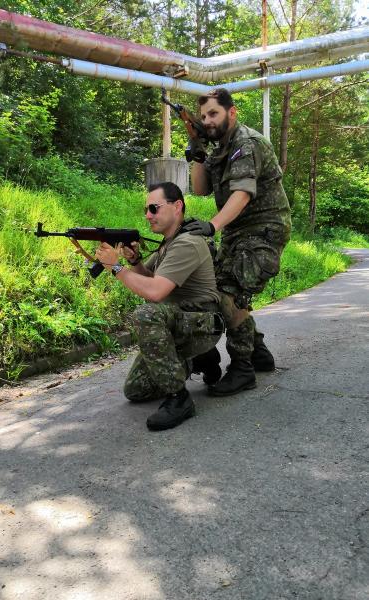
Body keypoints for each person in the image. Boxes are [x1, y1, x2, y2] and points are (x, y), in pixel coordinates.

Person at [183, 88, 291, 396]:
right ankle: (259, 352)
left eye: (213, 113)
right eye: (203, 116)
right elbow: (200, 189)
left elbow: (242, 194)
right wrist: (197, 148)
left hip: (263, 230)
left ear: (232, 112)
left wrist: (212, 226)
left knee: (229, 293)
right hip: (236, 232)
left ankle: (243, 368)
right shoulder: (221, 147)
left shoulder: (246, 143)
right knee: (217, 288)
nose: (207, 120)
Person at [95, 182, 224, 431]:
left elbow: (155, 292)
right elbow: (150, 279)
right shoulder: (169, 243)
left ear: (177, 207)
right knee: (136, 390)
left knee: (146, 314)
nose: (148, 215)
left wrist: (116, 267)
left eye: (153, 208)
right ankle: (199, 359)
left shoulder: (187, 243)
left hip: (201, 324)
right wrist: (135, 261)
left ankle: (179, 398)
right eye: (146, 209)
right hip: (179, 321)